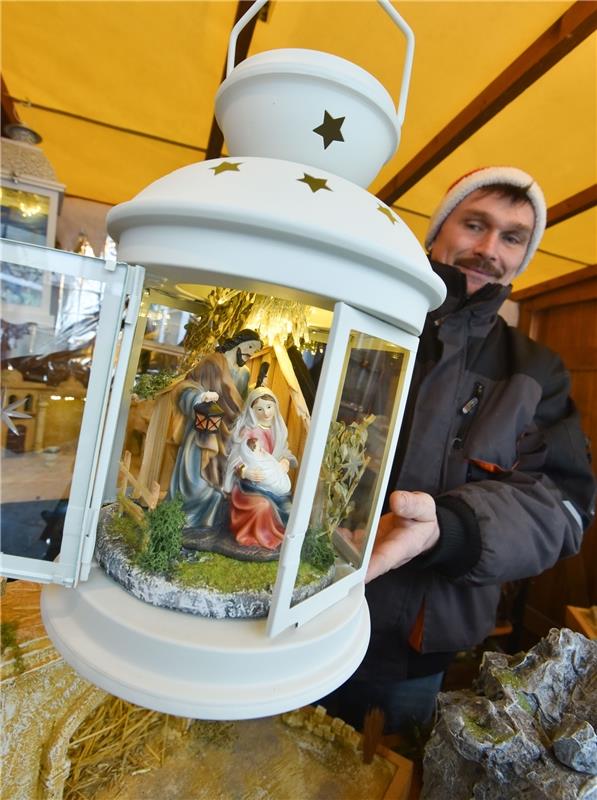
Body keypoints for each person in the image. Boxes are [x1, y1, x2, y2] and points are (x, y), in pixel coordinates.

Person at [320, 166, 596, 733]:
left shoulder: (536, 371)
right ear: (437, 231)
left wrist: (454, 528)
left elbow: (564, 503)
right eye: (475, 224)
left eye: (512, 237)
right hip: (298, 602)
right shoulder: (358, 319)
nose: (489, 248)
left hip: (415, 647)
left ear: (522, 257)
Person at [168, 329, 262, 527]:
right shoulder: (212, 363)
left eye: (255, 351)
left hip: (227, 435)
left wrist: (257, 393)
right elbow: (186, 387)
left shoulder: (244, 374)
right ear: (239, 343)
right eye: (250, 347)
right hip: (203, 431)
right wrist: (200, 397)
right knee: (196, 481)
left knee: (218, 484)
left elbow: (241, 404)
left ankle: (206, 524)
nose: (251, 353)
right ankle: (181, 518)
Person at [223, 387, 296, 550]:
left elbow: (285, 450)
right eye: (260, 409)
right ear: (252, 410)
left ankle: (282, 536)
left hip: (274, 484)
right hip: (249, 487)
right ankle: (260, 538)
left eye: (269, 407)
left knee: (290, 511)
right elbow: (234, 457)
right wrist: (244, 471)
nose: (266, 413)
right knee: (262, 506)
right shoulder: (246, 432)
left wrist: (285, 461)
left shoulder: (278, 429)